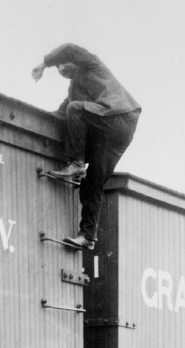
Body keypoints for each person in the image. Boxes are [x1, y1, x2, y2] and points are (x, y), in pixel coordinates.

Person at [32, 44, 141, 249]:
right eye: (59, 68)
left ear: (73, 61)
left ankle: (76, 163)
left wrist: (46, 63)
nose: (62, 69)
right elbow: (61, 113)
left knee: (76, 110)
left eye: (64, 64)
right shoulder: (74, 91)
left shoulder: (91, 64)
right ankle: (87, 236)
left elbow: (70, 49)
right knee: (93, 183)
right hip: (113, 137)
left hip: (121, 117)